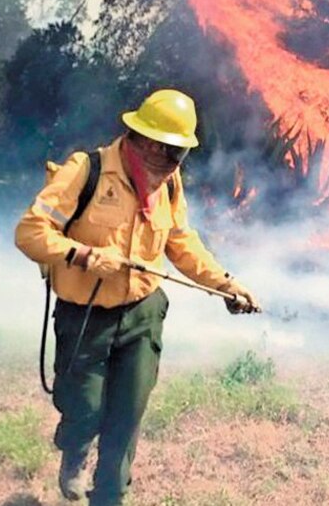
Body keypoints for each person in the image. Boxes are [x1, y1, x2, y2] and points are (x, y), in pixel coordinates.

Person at [14, 88, 261, 505]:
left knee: (127, 416)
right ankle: (75, 444)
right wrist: (84, 254)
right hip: (85, 315)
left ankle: (109, 496)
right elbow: (30, 232)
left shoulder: (168, 184)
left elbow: (181, 243)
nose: (174, 164)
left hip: (143, 314)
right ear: (144, 140)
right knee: (85, 410)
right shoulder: (85, 170)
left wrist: (224, 283)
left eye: (181, 155)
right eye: (171, 153)